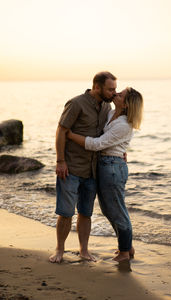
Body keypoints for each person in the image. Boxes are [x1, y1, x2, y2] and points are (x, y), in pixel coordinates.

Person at [67, 87, 143, 262]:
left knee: (116, 210)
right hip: (105, 165)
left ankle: (124, 252)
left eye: (120, 95)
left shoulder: (124, 125)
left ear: (126, 104)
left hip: (113, 167)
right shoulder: (111, 114)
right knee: (110, 210)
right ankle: (127, 246)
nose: (116, 94)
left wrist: (70, 135)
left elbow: (97, 143)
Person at [49, 71, 117, 263]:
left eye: (115, 89)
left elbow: (108, 134)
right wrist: (60, 161)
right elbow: (61, 130)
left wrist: (119, 151)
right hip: (71, 167)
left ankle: (84, 250)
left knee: (86, 212)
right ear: (97, 87)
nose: (114, 92)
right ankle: (59, 250)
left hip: (93, 170)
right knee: (65, 212)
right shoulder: (76, 103)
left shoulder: (107, 106)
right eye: (110, 89)